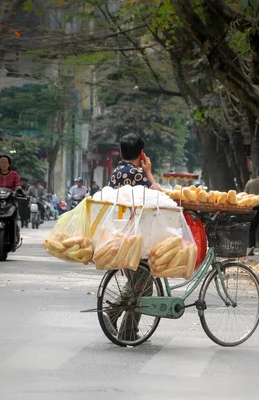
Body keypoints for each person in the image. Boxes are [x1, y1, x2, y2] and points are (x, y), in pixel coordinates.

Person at [103, 133, 159, 342]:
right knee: (142, 284)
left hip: (120, 233)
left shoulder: (116, 173)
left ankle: (128, 330)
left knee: (139, 282)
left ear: (120, 152)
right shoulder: (138, 174)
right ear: (141, 153)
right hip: (138, 235)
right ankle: (114, 314)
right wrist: (149, 172)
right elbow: (158, 193)